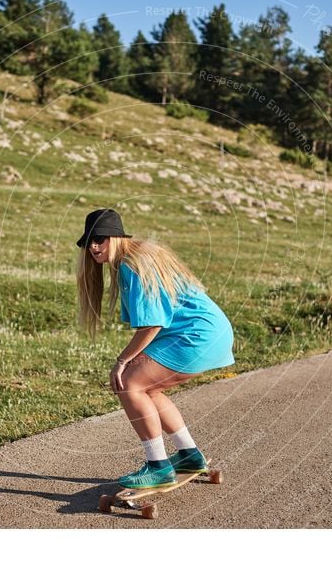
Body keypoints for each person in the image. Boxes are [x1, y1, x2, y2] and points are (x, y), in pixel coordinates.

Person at [75, 208, 235, 489]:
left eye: (100, 238)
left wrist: (122, 361)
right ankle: (189, 455)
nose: (93, 246)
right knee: (148, 387)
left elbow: (152, 325)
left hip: (197, 335)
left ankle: (158, 466)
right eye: (88, 241)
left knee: (129, 383)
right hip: (211, 331)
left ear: (116, 237)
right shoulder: (134, 257)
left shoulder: (132, 264)